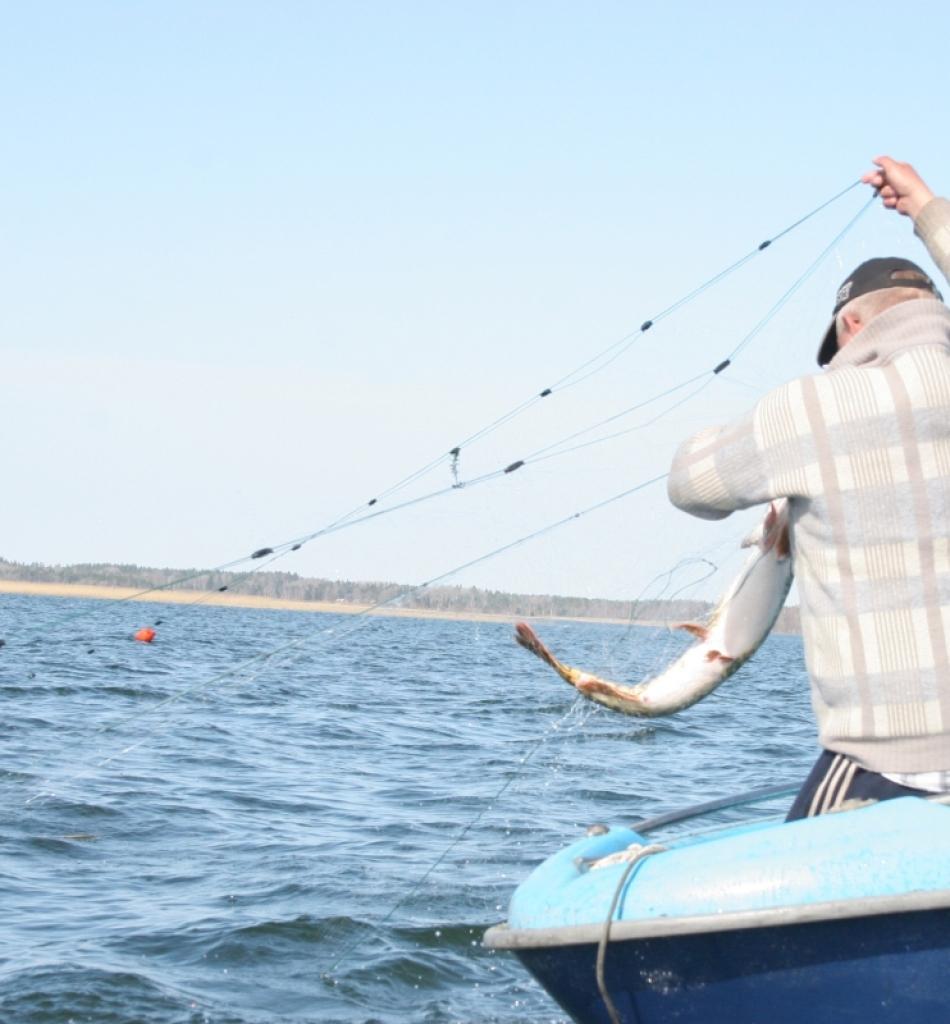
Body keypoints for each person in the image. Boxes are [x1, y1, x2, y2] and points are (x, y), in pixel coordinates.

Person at [666, 157, 950, 820]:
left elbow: (690, 485)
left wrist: (752, 441)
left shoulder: (807, 410)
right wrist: (929, 209)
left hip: (887, 762)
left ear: (852, 328)